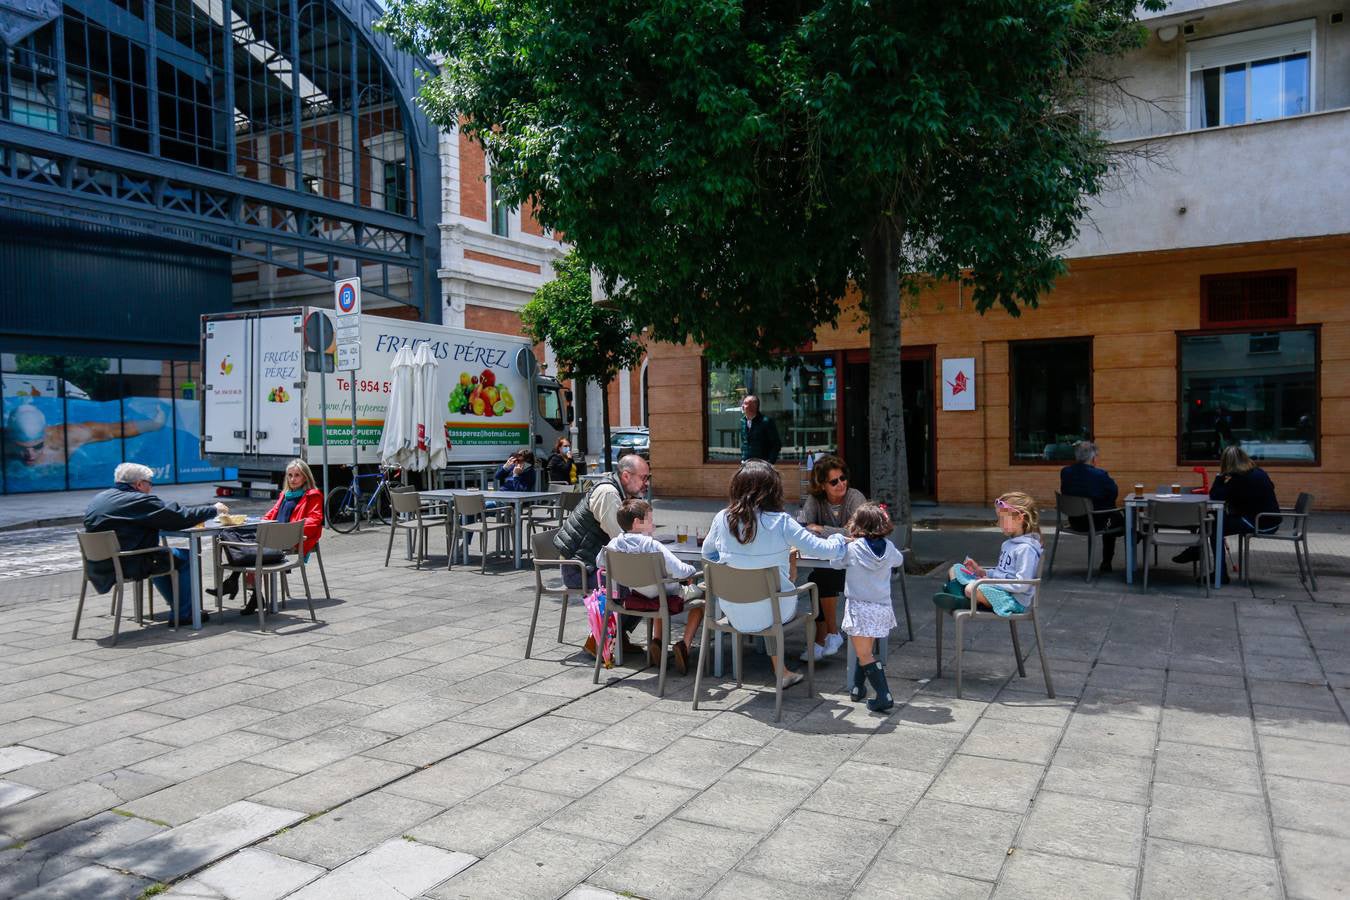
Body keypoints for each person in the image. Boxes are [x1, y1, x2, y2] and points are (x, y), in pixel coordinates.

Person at [701, 460, 848, 689]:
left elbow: (707, 555)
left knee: (768, 594)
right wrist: (839, 539)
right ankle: (783, 672)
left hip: (732, 610)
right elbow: (823, 550)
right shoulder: (781, 522)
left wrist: (734, 563)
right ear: (773, 488)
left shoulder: (722, 518)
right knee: (776, 597)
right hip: (774, 610)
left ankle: (783, 672)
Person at [83, 462, 227, 625]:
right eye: (150, 484)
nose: (151, 488)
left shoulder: (100, 498)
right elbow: (178, 518)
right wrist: (213, 509)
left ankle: (178, 607)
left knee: (160, 555)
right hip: (129, 562)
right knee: (186, 557)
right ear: (139, 484)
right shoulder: (138, 500)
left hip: (100, 565)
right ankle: (185, 613)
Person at [554, 453, 653, 658]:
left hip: (592, 564)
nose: (647, 483)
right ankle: (599, 639)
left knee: (643, 581)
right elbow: (622, 539)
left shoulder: (621, 493)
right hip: (579, 569)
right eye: (644, 477)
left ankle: (617, 636)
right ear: (626, 476)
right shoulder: (609, 493)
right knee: (636, 583)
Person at [595, 499, 706, 674]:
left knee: (657, 595)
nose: (653, 524)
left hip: (637, 595)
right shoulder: (652, 545)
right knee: (702, 597)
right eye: (650, 519)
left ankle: (657, 642)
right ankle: (684, 645)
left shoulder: (613, 544)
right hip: (664, 595)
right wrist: (693, 571)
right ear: (637, 523)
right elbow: (681, 571)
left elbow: (599, 562)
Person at [210, 459, 323, 614]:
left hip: (293, 538)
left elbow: (314, 521)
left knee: (254, 551)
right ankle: (251, 593)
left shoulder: (313, 495)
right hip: (274, 536)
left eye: (297, 475)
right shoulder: (285, 494)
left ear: (305, 477)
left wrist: (287, 530)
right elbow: (272, 513)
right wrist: (259, 521)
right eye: (290, 475)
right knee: (241, 541)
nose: (292, 479)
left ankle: (235, 584)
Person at [823, 503, 904, 712]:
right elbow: (899, 561)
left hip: (859, 608)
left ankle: (884, 696)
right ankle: (858, 688)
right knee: (864, 649)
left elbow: (834, 563)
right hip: (882, 607)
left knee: (865, 654)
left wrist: (836, 541)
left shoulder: (852, 549)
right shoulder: (889, 547)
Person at [1175, 444, 1280, 583]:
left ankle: (1217, 570)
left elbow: (1216, 496)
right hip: (1270, 520)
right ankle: (1197, 552)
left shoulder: (1240, 479)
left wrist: (1219, 477)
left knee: (1214, 525)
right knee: (1213, 522)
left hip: (1260, 522)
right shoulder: (1258, 472)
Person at [796, 454, 866, 661]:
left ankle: (824, 637)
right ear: (822, 485)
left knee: (820, 579)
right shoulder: (814, 501)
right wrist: (831, 532)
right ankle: (828, 636)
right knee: (818, 578)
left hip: (857, 567)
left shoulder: (855, 498)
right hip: (828, 562)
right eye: (834, 481)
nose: (840, 484)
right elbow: (805, 529)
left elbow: (855, 533)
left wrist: (822, 529)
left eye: (843, 478)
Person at [933, 492, 1042, 618]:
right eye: (998, 519)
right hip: (999, 589)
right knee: (955, 569)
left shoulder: (1026, 549)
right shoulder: (1008, 544)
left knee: (971, 589)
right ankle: (961, 598)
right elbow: (1001, 572)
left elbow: (1022, 585)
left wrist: (989, 582)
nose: (998, 523)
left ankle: (960, 598)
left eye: (1003, 519)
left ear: (1019, 518)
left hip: (1012, 600)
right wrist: (981, 571)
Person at [7, 402, 167, 468]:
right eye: (22, 448)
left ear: (45, 434)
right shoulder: (3, 443)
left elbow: (113, 430)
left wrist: (153, 424)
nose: (30, 454)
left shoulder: (67, 436)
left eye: (37, 446)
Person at [1059, 440, 1123, 574]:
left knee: (1111, 516)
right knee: (1117, 518)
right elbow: (1113, 493)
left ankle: (1134, 534)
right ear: (1093, 458)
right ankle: (1107, 561)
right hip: (1097, 523)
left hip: (1075, 521)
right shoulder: (1099, 475)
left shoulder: (1065, 472)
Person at [739, 395, 781, 464]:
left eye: (745, 403)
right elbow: (744, 443)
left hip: (762, 465)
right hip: (746, 464)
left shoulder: (766, 422)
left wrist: (770, 462)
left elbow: (776, 445)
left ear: (753, 406)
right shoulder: (743, 421)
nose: (742, 406)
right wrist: (743, 458)